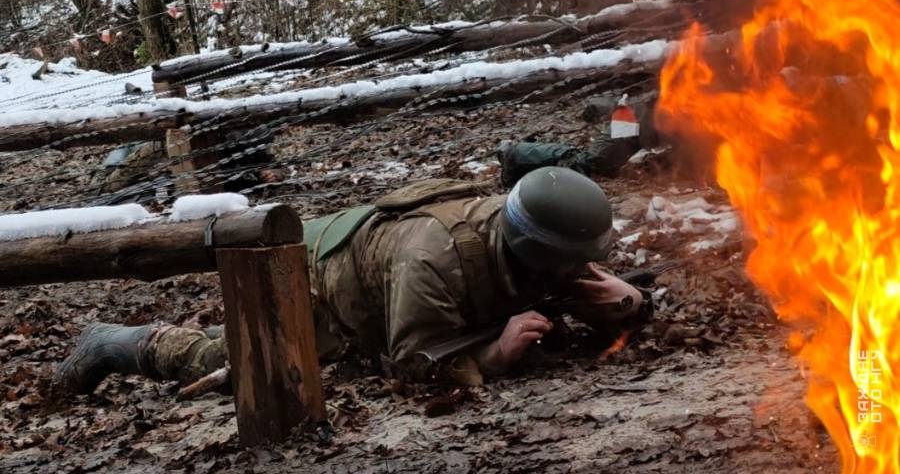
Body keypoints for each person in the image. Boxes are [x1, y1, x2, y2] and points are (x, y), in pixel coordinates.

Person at [54, 167, 649, 395]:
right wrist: (494, 352)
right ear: (533, 250)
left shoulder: (533, 237)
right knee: (236, 361)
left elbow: (578, 286)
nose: (579, 273)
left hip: (375, 266)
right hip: (318, 284)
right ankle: (112, 343)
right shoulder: (434, 258)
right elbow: (410, 361)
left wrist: (628, 303)